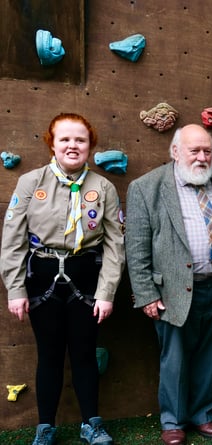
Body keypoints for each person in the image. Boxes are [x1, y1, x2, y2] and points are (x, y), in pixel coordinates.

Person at [1, 113, 125, 445]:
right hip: (42, 280)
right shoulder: (31, 182)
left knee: (85, 352)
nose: (73, 145)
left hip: (87, 280)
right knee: (49, 354)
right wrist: (15, 289)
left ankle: (92, 424)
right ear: (52, 144)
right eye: (65, 139)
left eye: (80, 140)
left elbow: (116, 245)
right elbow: (12, 239)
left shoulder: (103, 187)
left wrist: (107, 292)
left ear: (90, 144)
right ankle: (46, 426)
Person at [125, 124, 212, 445]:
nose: (202, 157)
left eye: (207, 150)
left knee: (210, 354)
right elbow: (136, 247)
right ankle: (172, 421)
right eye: (194, 150)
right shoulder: (147, 187)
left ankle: (203, 415)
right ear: (176, 152)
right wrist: (146, 295)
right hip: (171, 290)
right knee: (175, 358)